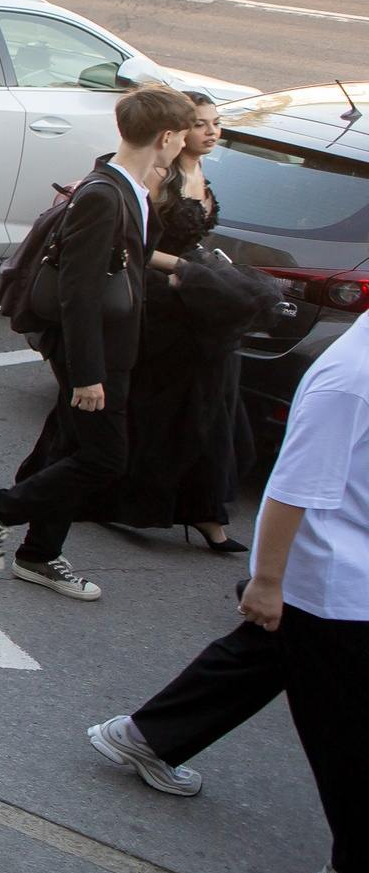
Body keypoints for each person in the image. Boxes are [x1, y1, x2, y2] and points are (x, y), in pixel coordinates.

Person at [83, 300, 369, 873]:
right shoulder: (352, 377)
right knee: (352, 728)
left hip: (347, 580)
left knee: (262, 658)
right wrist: (267, 581)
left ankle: (145, 736)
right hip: (335, 581)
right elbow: (292, 488)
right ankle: (355, 872)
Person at [0, 86, 203, 602]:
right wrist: (88, 374)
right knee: (105, 458)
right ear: (166, 137)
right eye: (183, 136)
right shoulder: (103, 195)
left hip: (111, 347)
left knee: (69, 447)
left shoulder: (131, 188)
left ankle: (39, 554)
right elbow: (78, 293)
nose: (184, 145)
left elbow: (131, 265)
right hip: (95, 353)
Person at [101, 92, 282, 551]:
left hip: (197, 299)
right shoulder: (159, 176)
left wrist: (204, 268)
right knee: (173, 406)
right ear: (175, 133)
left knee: (214, 403)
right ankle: (123, 496)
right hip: (165, 302)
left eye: (215, 122)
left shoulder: (201, 172)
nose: (210, 131)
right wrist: (184, 268)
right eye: (200, 124)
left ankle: (206, 512)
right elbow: (134, 245)